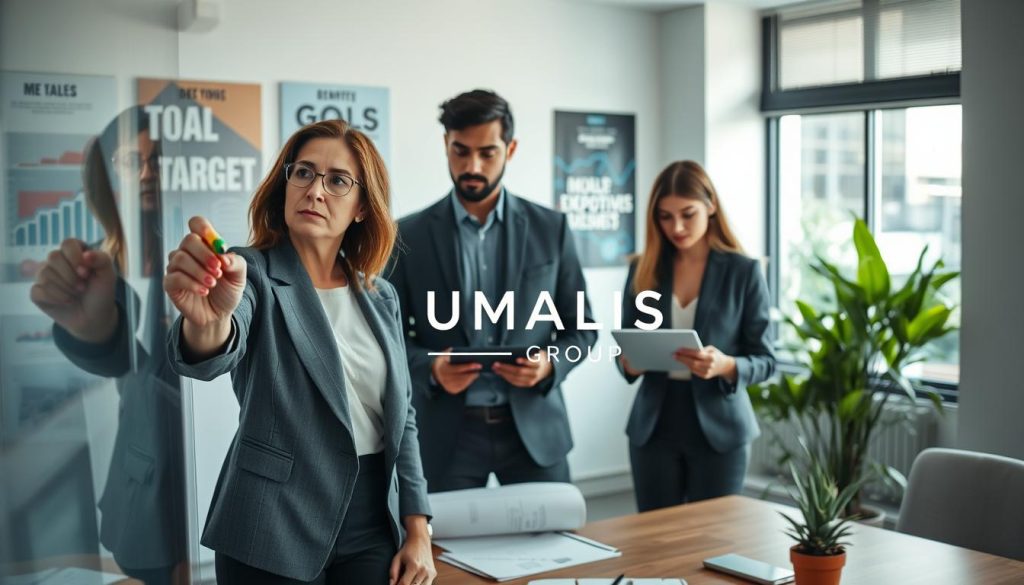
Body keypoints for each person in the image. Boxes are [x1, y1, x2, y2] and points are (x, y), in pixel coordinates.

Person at [163, 119, 435, 585]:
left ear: (363, 208)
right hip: (271, 519)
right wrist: (208, 322)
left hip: (370, 518)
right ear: (284, 184)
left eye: (337, 181)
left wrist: (418, 529)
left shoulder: (380, 295)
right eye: (304, 173)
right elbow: (215, 346)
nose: (315, 191)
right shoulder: (250, 273)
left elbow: (402, 418)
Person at [388, 89, 597, 492]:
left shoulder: (550, 230)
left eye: (487, 153)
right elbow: (388, 337)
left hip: (535, 431)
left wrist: (551, 363)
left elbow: (583, 330)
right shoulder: (406, 235)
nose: (473, 166)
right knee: (440, 551)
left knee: (558, 548)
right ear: (445, 145)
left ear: (511, 148)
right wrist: (430, 368)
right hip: (446, 435)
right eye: (460, 151)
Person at [29, 106, 188, 585]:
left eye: (157, 158)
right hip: (149, 491)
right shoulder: (105, 266)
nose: (146, 172)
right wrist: (89, 329)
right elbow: (117, 348)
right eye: (129, 161)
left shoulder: (213, 248)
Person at [617, 160, 775, 512]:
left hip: (720, 428)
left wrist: (726, 365)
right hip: (654, 425)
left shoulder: (743, 271)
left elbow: (766, 360)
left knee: (714, 538)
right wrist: (631, 363)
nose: (677, 226)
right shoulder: (643, 269)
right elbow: (624, 353)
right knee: (655, 539)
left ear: (711, 206)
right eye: (665, 216)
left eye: (688, 214)